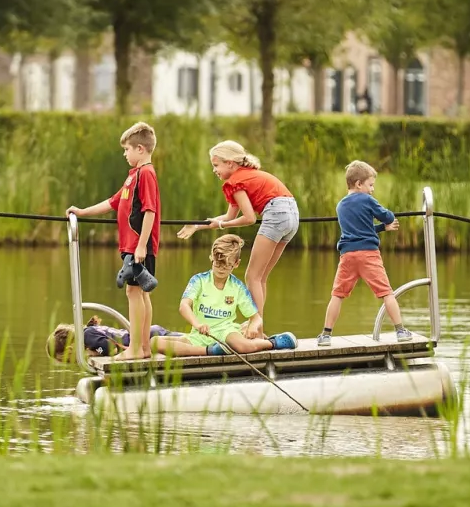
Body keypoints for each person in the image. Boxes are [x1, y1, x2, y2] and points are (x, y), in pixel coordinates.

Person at [67, 121, 160, 361]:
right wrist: (82, 211)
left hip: (139, 247)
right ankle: (144, 348)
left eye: (127, 149)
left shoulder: (146, 174)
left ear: (140, 149)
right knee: (140, 294)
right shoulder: (133, 177)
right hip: (132, 247)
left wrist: (141, 245)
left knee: (134, 292)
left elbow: (150, 211)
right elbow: (112, 202)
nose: (125, 154)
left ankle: (136, 349)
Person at [176, 140, 298, 315]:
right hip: (292, 216)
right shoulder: (246, 176)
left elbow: (249, 218)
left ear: (230, 163)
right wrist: (197, 226)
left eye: (216, 165)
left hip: (276, 215)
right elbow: (229, 217)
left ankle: (255, 328)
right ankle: (258, 327)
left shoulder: (234, 182)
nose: (214, 170)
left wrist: (222, 225)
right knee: (260, 277)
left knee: (252, 277)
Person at [151, 234, 296, 358]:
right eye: (217, 264)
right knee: (154, 342)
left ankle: (273, 342)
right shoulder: (198, 280)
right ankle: (210, 350)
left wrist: (253, 326)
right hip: (199, 335)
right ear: (211, 258)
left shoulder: (237, 286)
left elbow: (256, 317)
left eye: (226, 266)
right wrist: (198, 324)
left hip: (226, 332)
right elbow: (184, 306)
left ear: (236, 263)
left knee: (240, 345)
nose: (221, 269)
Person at [318, 161, 410, 345]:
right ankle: (400, 331)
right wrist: (388, 220)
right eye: (370, 185)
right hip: (369, 254)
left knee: (337, 295)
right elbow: (388, 216)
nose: (372, 189)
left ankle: (326, 335)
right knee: (386, 293)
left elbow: (360, 229)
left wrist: (382, 229)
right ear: (359, 184)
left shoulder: (340, 206)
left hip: (348, 256)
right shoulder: (367, 200)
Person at [46, 316, 176, 364]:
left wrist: (93, 353)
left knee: (192, 340)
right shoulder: (88, 333)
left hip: (151, 337)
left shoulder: (88, 337)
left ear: (69, 349)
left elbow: (113, 349)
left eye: (67, 360)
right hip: (150, 333)